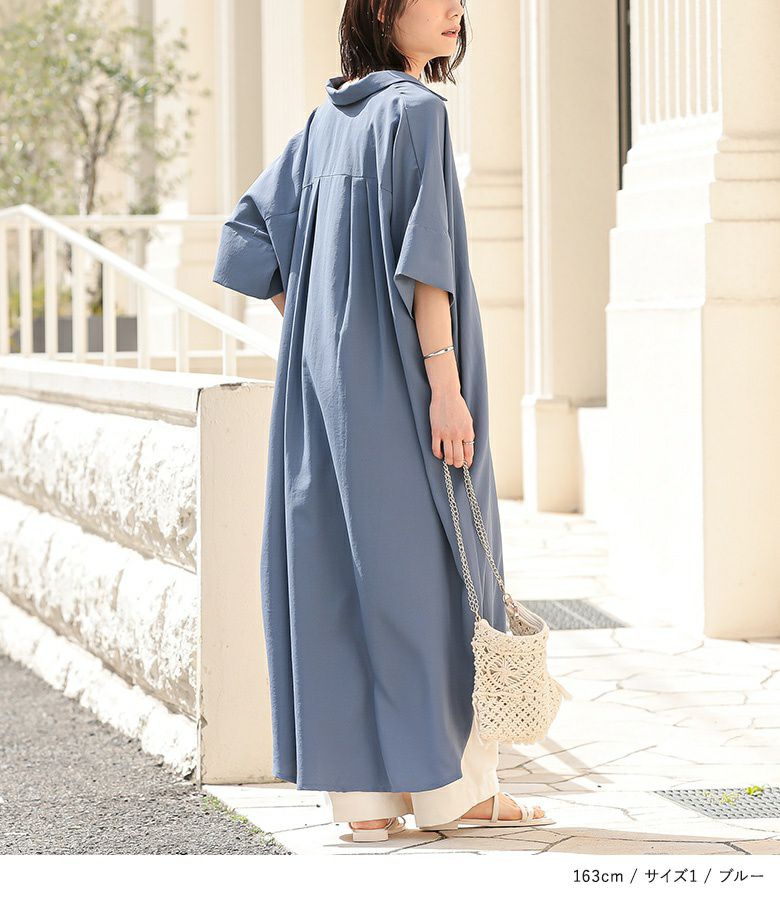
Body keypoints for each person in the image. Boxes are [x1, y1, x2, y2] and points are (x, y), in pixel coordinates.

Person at [212, 0, 551, 841]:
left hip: (322, 390)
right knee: (439, 578)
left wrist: (321, 322)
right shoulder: (417, 112)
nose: (456, 9)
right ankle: (455, 794)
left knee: (341, 579)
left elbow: (248, 236)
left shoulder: (326, 120)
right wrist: (445, 386)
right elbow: (426, 266)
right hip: (406, 383)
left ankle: (363, 807)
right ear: (380, 10)